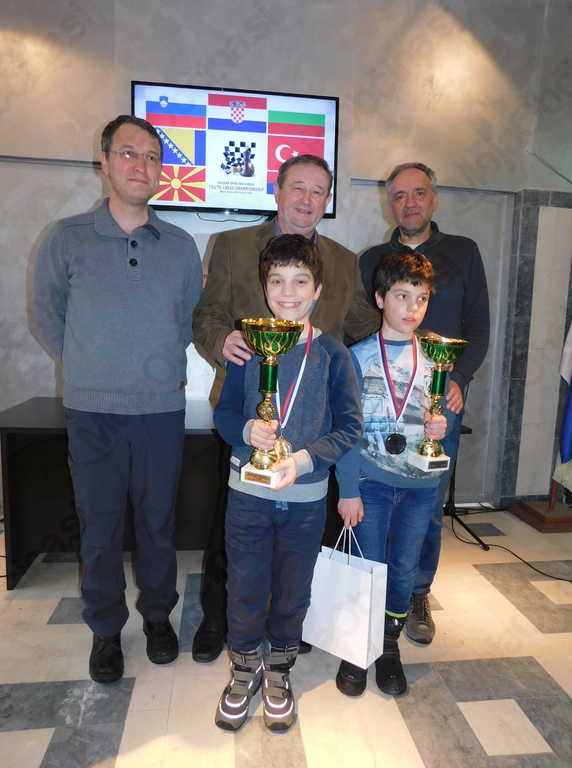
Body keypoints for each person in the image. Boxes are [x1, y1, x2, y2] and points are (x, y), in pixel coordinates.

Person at [34, 115, 202, 684]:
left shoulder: (180, 246)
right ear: (104, 162)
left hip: (160, 408)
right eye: (129, 153)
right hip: (92, 412)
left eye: (152, 157)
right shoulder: (67, 237)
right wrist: (92, 367)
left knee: (158, 522)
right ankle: (106, 628)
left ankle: (157, 618)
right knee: (99, 525)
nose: (141, 166)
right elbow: (48, 315)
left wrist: (146, 368)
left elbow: (187, 321)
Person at [191, 154, 379, 662]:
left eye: (318, 191)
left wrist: (422, 354)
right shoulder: (232, 244)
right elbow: (207, 312)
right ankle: (220, 618)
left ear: (327, 200)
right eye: (297, 187)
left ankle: (289, 626)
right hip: (248, 419)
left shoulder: (344, 261)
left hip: (311, 430)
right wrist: (222, 341)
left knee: (299, 545)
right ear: (276, 191)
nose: (306, 199)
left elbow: (367, 327)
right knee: (231, 533)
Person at [213, 234, 363, 732]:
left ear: (317, 289)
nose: (288, 292)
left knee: (293, 591)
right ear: (264, 288)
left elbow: (350, 428)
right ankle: (244, 671)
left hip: (304, 502)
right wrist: (246, 431)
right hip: (248, 498)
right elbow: (224, 414)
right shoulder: (246, 349)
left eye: (300, 281)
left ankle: (278, 671)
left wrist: (302, 460)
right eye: (277, 281)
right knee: (245, 588)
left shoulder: (334, 355)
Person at [359, 162, 489, 645]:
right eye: (399, 196)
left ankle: (416, 593)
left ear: (434, 199)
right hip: (383, 403)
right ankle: (369, 597)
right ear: (388, 205)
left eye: (419, 193)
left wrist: (458, 378)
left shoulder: (464, 252)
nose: (409, 203)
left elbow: (479, 326)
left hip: (439, 405)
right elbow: (360, 325)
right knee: (372, 500)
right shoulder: (371, 259)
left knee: (428, 505)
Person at [336, 247, 449, 697]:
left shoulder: (437, 356)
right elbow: (346, 429)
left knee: (403, 570)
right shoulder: (357, 356)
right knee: (368, 567)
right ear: (380, 298)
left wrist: (440, 426)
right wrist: (348, 488)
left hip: (421, 487)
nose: (412, 308)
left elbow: (438, 417)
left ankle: (387, 646)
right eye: (402, 296)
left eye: (421, 299)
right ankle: (356, 647)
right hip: (371, 483)